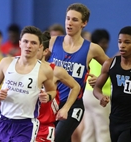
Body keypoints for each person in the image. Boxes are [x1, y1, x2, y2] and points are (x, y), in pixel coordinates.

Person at [48, 3, 109, 142]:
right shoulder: (52, 42)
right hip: (51, 103)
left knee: (57, 138)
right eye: (67, 18)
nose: (69, 23)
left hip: (74, 104)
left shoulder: (92, 49)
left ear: (84, 23)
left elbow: (113, 66)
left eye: (75, 20)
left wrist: (100, 79)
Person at [0, 26, 57, 142]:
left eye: (33, 43)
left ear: (40, 47)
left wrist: (48, 96)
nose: (28, 45)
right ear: (20, 43)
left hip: (26, 123)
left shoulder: (45, 69)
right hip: (4, 121)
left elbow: (52, 91)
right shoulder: (6, 62)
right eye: (25, 41)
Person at [36, 31, 81, 142]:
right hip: (26, 122)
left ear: (45, 51)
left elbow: (76, 87)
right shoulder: (21, 69)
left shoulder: (55, 71)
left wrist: (66, 108)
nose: (30, 50)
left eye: (36, 48)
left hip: (45, 124)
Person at [82, 29, 111, 142]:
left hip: (87, 96)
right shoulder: (104, 60)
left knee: (89, 130)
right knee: (103, 129)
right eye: (103, 42)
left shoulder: (89, 58)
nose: (106, 45)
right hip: (100, 96)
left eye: (106, 42)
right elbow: (105, 80)